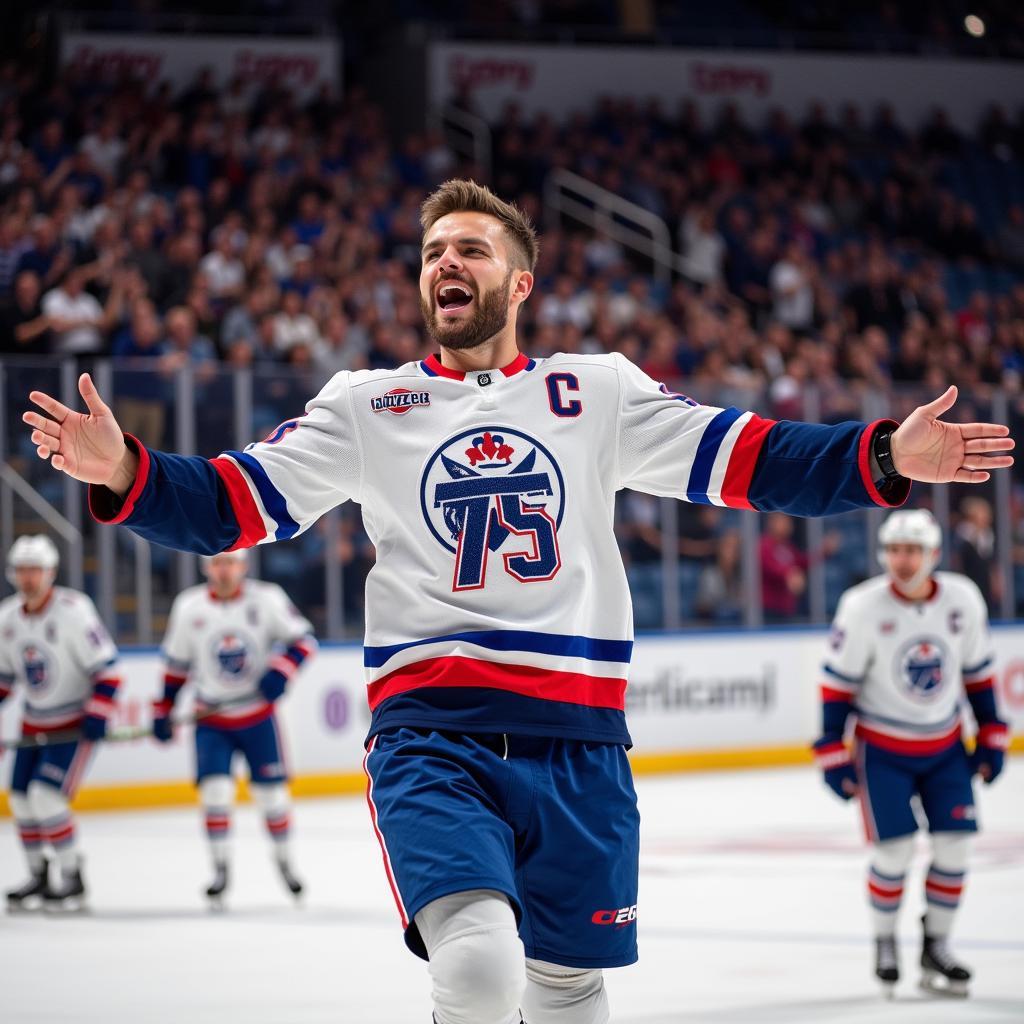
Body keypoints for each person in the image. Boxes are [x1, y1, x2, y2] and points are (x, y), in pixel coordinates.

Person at [23, 180, 1015, 1023]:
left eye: (469, 249)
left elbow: (752, 458)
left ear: (520, 282)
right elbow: (228, 504)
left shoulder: (599, 391)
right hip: (432, 737)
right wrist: (128, 471)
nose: (444, 263)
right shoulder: (366, 405)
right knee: (479, 964)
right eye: (430, 253)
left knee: (567, 986)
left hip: (581, 746)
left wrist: (882, 455)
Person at [812, 509, 1008, 998]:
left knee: (956, 848)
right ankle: (884, 941)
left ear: (934, 554)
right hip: (883, 751)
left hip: (945, 747)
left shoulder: (962, 599)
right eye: (895, 550)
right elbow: (837, 685)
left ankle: (936, 944)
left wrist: (991, 733)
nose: (903, 560)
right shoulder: (862, 606)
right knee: (894, 852)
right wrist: (832, 749)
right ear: (883, 554)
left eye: (914, 551)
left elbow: (978, 672)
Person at [152, 549, 316, 905]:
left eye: (230, 562)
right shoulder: (189, 606)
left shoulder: (267, 598)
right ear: (206, 567)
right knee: (215, 793)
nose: (224, 570)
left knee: (272, 797)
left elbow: (304, 640)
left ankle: (285, 864)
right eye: (217, 563)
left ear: (242, 565)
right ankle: (220, 870)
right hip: (211, 719)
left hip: (258, 717)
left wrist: (280, 671)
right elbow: (176, 665)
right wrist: (163, 707)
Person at [0, 535, 121, 910]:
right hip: (34, 724)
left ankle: (72, 876)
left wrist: (97, 714)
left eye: (35, 570)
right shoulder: (6, 617)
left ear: (50, 573)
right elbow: (5, 680)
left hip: (72, 724)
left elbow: (108, 672)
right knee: (20, 800)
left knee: (46, 797)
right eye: (22, 570)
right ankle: (38, 874)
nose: (29, 578)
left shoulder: (73, 610)